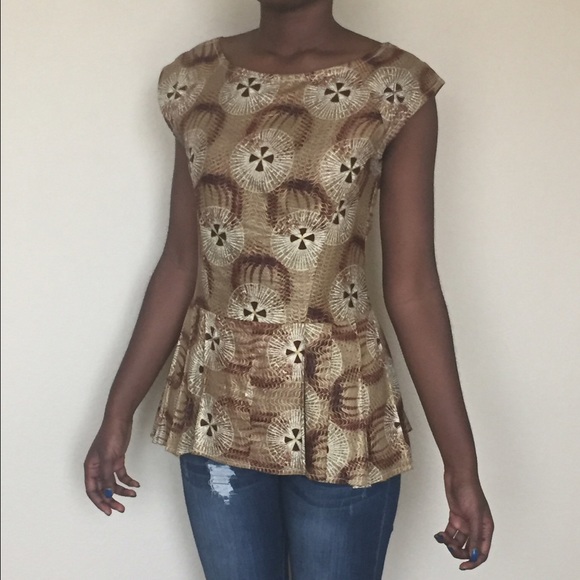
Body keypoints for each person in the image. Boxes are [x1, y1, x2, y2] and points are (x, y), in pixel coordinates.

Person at [84, 0, 494, 578]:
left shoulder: (395, 87)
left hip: (342, 410)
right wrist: (118, 411)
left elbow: (413, 288)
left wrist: (461, 466)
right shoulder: (194, 80)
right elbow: (180, 263)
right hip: (217, 408)